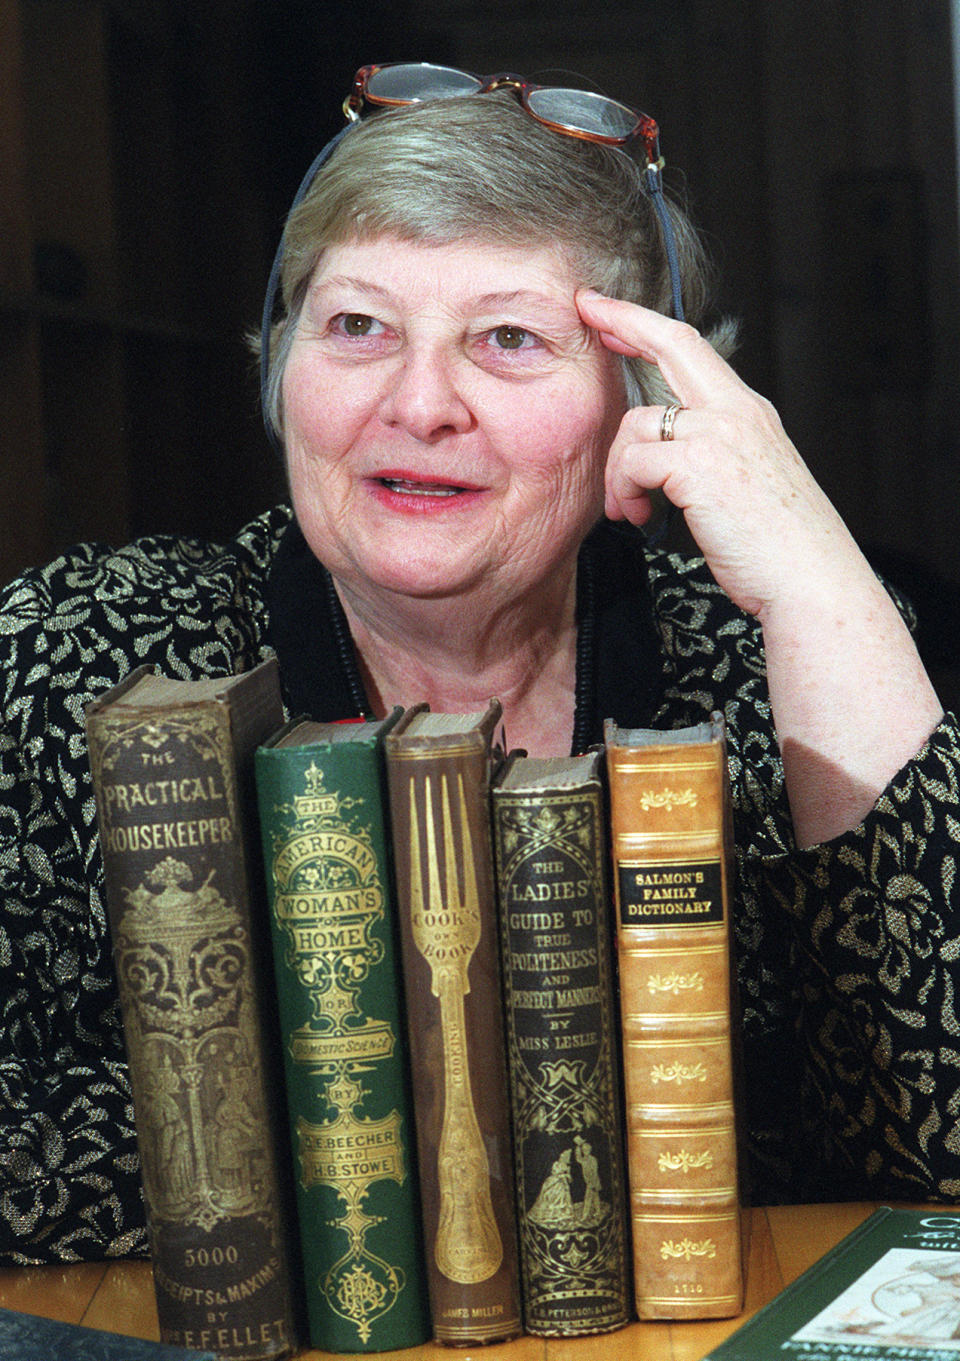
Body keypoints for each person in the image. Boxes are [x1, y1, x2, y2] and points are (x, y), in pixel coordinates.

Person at [0, 61, 957, 1267]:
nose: (419, 402)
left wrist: (822, 580)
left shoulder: (766, 659)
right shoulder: (80, 653)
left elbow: (941, 1140)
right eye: (357, 326)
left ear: (644, 397)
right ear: (279, 365)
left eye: (508, 337)